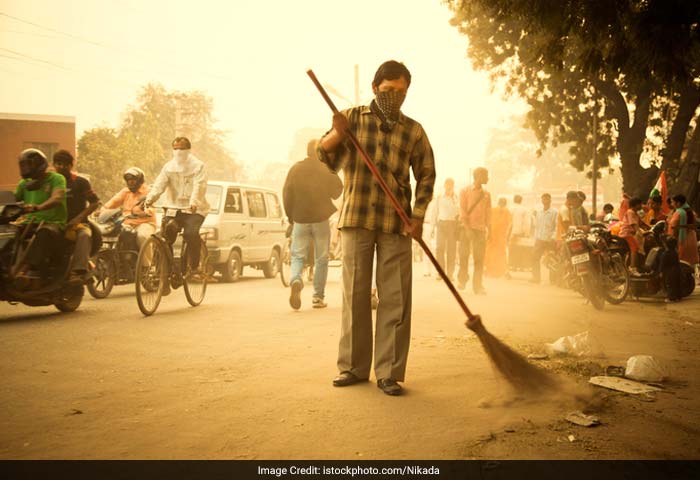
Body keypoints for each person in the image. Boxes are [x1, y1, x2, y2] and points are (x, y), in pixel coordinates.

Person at [318, 60, 436, 396]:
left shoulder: (413, 130)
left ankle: (389, 372)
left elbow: (426, 173)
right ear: (374, 87)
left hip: (396, 223)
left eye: (401, 92)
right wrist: (338, 134)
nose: (394, 97)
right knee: (355, 296)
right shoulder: (351, 119)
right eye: (388, 91)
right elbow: (325, 157)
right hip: (357, 218)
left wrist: (418, 216)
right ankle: (353, 368)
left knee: (395, 298)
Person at [283, 139, 343, 310]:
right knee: (321, 258)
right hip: (320, 219)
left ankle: (295, 279)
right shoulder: (326, 168)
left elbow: (287, 193)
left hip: (300, 219)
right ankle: (317, 298)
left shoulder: (295, 169)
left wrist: (290, 217)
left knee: (297, 256)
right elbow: (338, 189)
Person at [145, 137, 209, 283]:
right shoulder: (168, 167)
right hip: (173, 208)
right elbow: (159, 185)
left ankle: (194, 267)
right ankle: (165, 270)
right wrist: (150, 199)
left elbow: (199, 186)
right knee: (166, 235)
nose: (178, 151)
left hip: (194, 210)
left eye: (181, 148)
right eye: (175, 148)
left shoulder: (198, 166)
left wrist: (194, 202)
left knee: (191, 233)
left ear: (188, 150)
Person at [13, 149, 67, 281]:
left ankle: (26, 269)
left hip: (53, 223)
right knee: (9, 232)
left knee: (43, 233)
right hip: (27, 222)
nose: (26, 168)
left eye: (29, 164)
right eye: (23, 165)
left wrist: (39, 207)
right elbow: (12, 199)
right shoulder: (24, 184)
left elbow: (57, 198)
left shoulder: (56, 178)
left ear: (39, 164)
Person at [52, 150, 100, 284]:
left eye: (65, 164)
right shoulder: (50, 183)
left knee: (84, 235)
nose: (61, 167)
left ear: (71, 165)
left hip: (77, 225)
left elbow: (95, 202)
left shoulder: (81, 182)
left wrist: (78, 218)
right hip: (54, 224)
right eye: (58, 164)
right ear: (54, 165)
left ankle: (78, 272)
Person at [101, 167, 156, 249]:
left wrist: (144, 212)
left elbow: (150, 208)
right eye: (128, 180)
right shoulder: (125, 192)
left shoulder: (148, 192)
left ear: (140, 181)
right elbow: (111, 204)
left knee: (142, 236)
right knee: (111, 234)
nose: (130, 182)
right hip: (126, 223)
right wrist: (102, 211)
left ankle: (147, 262)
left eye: (133, 180)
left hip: (144, 223)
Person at [457, 167, 491, 294]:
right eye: (486, 175)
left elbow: (488, 213)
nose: (488, 178)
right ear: (478, 176)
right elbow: (462, 210)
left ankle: (477, 286)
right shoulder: (464, 191)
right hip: (466, 228)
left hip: (481, 230)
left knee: (479, 259)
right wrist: (467, 229)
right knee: (463, 256)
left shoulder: (487, 194)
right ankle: (462, 279)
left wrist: (490, 230)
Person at [431, 178, 459, 281]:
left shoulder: (456, 198)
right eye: (447, 185)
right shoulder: (439, 198)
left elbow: (458, 212)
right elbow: (434, 212)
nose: (449, 187)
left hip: (452, 225)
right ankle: (440, 273)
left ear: (453, 186)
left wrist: (453, 199)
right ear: (444, 186)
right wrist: (432, 228)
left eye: (451, 185)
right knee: (439, 248)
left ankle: (450, 274)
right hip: (441, 224)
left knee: (451, 250)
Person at [531, 193, 558, 283]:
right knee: (535, 257)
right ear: (542, 201)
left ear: (550, 200)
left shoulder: (554, 212)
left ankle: (553, 279)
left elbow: (556, 226)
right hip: (539, 239)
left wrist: (553, 237)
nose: (545, 201)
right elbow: (537, 225)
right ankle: (536, 278)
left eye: (547, 199)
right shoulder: (539, 212)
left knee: (552, 259)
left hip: (550, 239)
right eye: (544, 199)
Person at [668, 194, 699, 267]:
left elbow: (674, 227)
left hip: (681, 238)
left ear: (678, 203)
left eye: (672, 202)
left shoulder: (678, 212)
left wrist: (672, 238)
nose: (672, 204)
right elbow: (694, 225)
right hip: (691, 238)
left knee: (681, 260)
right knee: (690, 261)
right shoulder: (691, 212)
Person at [485, 197, 512, 278]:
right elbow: (509, 224)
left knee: (490, 252)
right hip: (499, 236)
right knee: (498, 253)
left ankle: (490, 270)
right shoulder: (506, 212)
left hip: (494, 235)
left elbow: (488, 221)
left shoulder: (494, 210)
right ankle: (497, 271)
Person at [508, 194, 532, 274]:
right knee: (519, 249)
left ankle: (511, 265)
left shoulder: (509, 208)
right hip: (519, 232)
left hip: (509, 232)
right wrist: (527, 233)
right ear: (521, 200)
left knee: (511, 249)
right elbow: (527, 223)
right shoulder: (524, 209)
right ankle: (518, 266)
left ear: (514, 200)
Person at [619, 197, 644, 272]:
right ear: (635, 205)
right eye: (640, 204)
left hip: (632, 233)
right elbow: (633, 224)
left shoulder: (635, 213)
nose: (641, 206)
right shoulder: (630, 212)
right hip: (627, 233)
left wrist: (651, 227)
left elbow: (641, 223)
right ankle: (632, 268)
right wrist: (639, 231)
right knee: (635, 248)